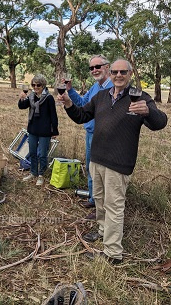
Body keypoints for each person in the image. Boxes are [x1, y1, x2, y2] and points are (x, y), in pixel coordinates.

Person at [58, 59, 167, 263]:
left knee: (114, 205)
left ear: (130, 73)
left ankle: (112, 253)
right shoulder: (101, 96)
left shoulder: (139, 97)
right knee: (99, 199)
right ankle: (102, 229)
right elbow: (82, 116)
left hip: (119, 163)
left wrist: (149, 112)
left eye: (122, 72)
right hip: (97, 158)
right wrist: (69, 104)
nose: (118, 75)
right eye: (115, 72)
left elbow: (160, 123)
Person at [65, 55, 113, 218]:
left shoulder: (114, 87)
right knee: (91, 168)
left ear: (107, 67)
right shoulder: (95, 87)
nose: (94, 70)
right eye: (91, 68)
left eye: (97, 66)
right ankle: (94, 199)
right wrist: (70, 90)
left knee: (101, 172)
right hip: (90, 133)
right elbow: (81, 104)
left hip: (104, 136)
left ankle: (101, 207)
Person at [18, 74, 59, 186]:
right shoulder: (31, 96)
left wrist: (54, 131)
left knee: (42, 154)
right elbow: (22, 107)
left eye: (38, 85)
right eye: (33, 85)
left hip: (45, 131)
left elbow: (53, 115)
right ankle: (33, 172)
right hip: (33, 129)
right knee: (32, 152)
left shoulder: (49, 98)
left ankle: (41, 175)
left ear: (43, 85)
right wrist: (21, 99)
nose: (35, 87)